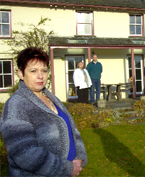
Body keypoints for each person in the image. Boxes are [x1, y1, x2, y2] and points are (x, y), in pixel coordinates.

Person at [0, 47, 88, 176]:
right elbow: (24, 153)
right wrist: (66, 168)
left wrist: (79, 155)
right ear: (20, 73)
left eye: (44, 70)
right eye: (33, 71)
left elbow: (73, 130)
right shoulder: (16, 105)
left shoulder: (51, 98)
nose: (40, 76)